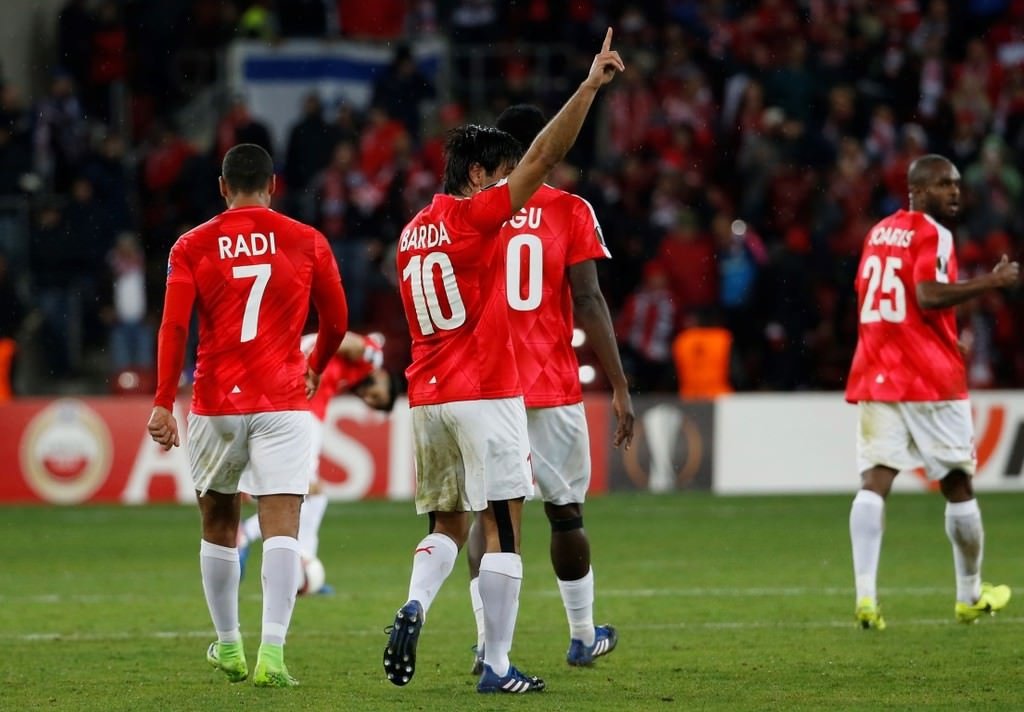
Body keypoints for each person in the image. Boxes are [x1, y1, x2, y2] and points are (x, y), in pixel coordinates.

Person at [382, 29, 624, 695]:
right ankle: (497, 664)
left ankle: (415, 605)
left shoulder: (411, 231)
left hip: (426, 395)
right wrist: (590, 85)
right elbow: (545, 157)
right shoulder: (475, 219)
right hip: (486, 391)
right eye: (501, 171)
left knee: (448, 524)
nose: (511, 180)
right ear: (480, 174)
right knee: (505, 528)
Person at [147, 143, 348, 687]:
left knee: (218, 523)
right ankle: (274, 655)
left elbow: (173, 327)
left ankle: (230, 646)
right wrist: (316, 366)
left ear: (222, 187)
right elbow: (338, 319)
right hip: (283, 400)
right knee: (284, 525)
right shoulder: (307, 241)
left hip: (217, 403)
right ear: (273, 184)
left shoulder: (192, 245)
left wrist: (164, 400)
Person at [463, 103, 634, 675]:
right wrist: (619, 385)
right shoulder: (569, 209)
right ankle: (583, 636)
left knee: (490, 519)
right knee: (566, 516)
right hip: (551, 385)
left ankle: (487, 644)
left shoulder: (471, 212)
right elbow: (588, 297)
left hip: (486, 385)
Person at [845, 153, 1018, 631]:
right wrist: (993, 281)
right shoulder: (933, 233)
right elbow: (926, 294)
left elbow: (875, 296)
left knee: (875, 479)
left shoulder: (877, 232)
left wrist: (940, 332)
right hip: (929, 378)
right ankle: (969, 596)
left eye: (957, 184)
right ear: (917, 192)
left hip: (878, 369)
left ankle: (865, 597)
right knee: (958, 484)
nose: (955, 192)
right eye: (944, 185)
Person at [236, 331, 399, 590]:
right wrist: (315, 359)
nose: (368, 398)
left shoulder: (347, 372)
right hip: (301, 409)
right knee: (302, 490)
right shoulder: (373, 359)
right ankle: (246, 534)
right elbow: (341, 340)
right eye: (376, 396)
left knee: (314, 493)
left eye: (372, 403)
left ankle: (304, 563)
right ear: (383, 377)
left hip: (283, 401)